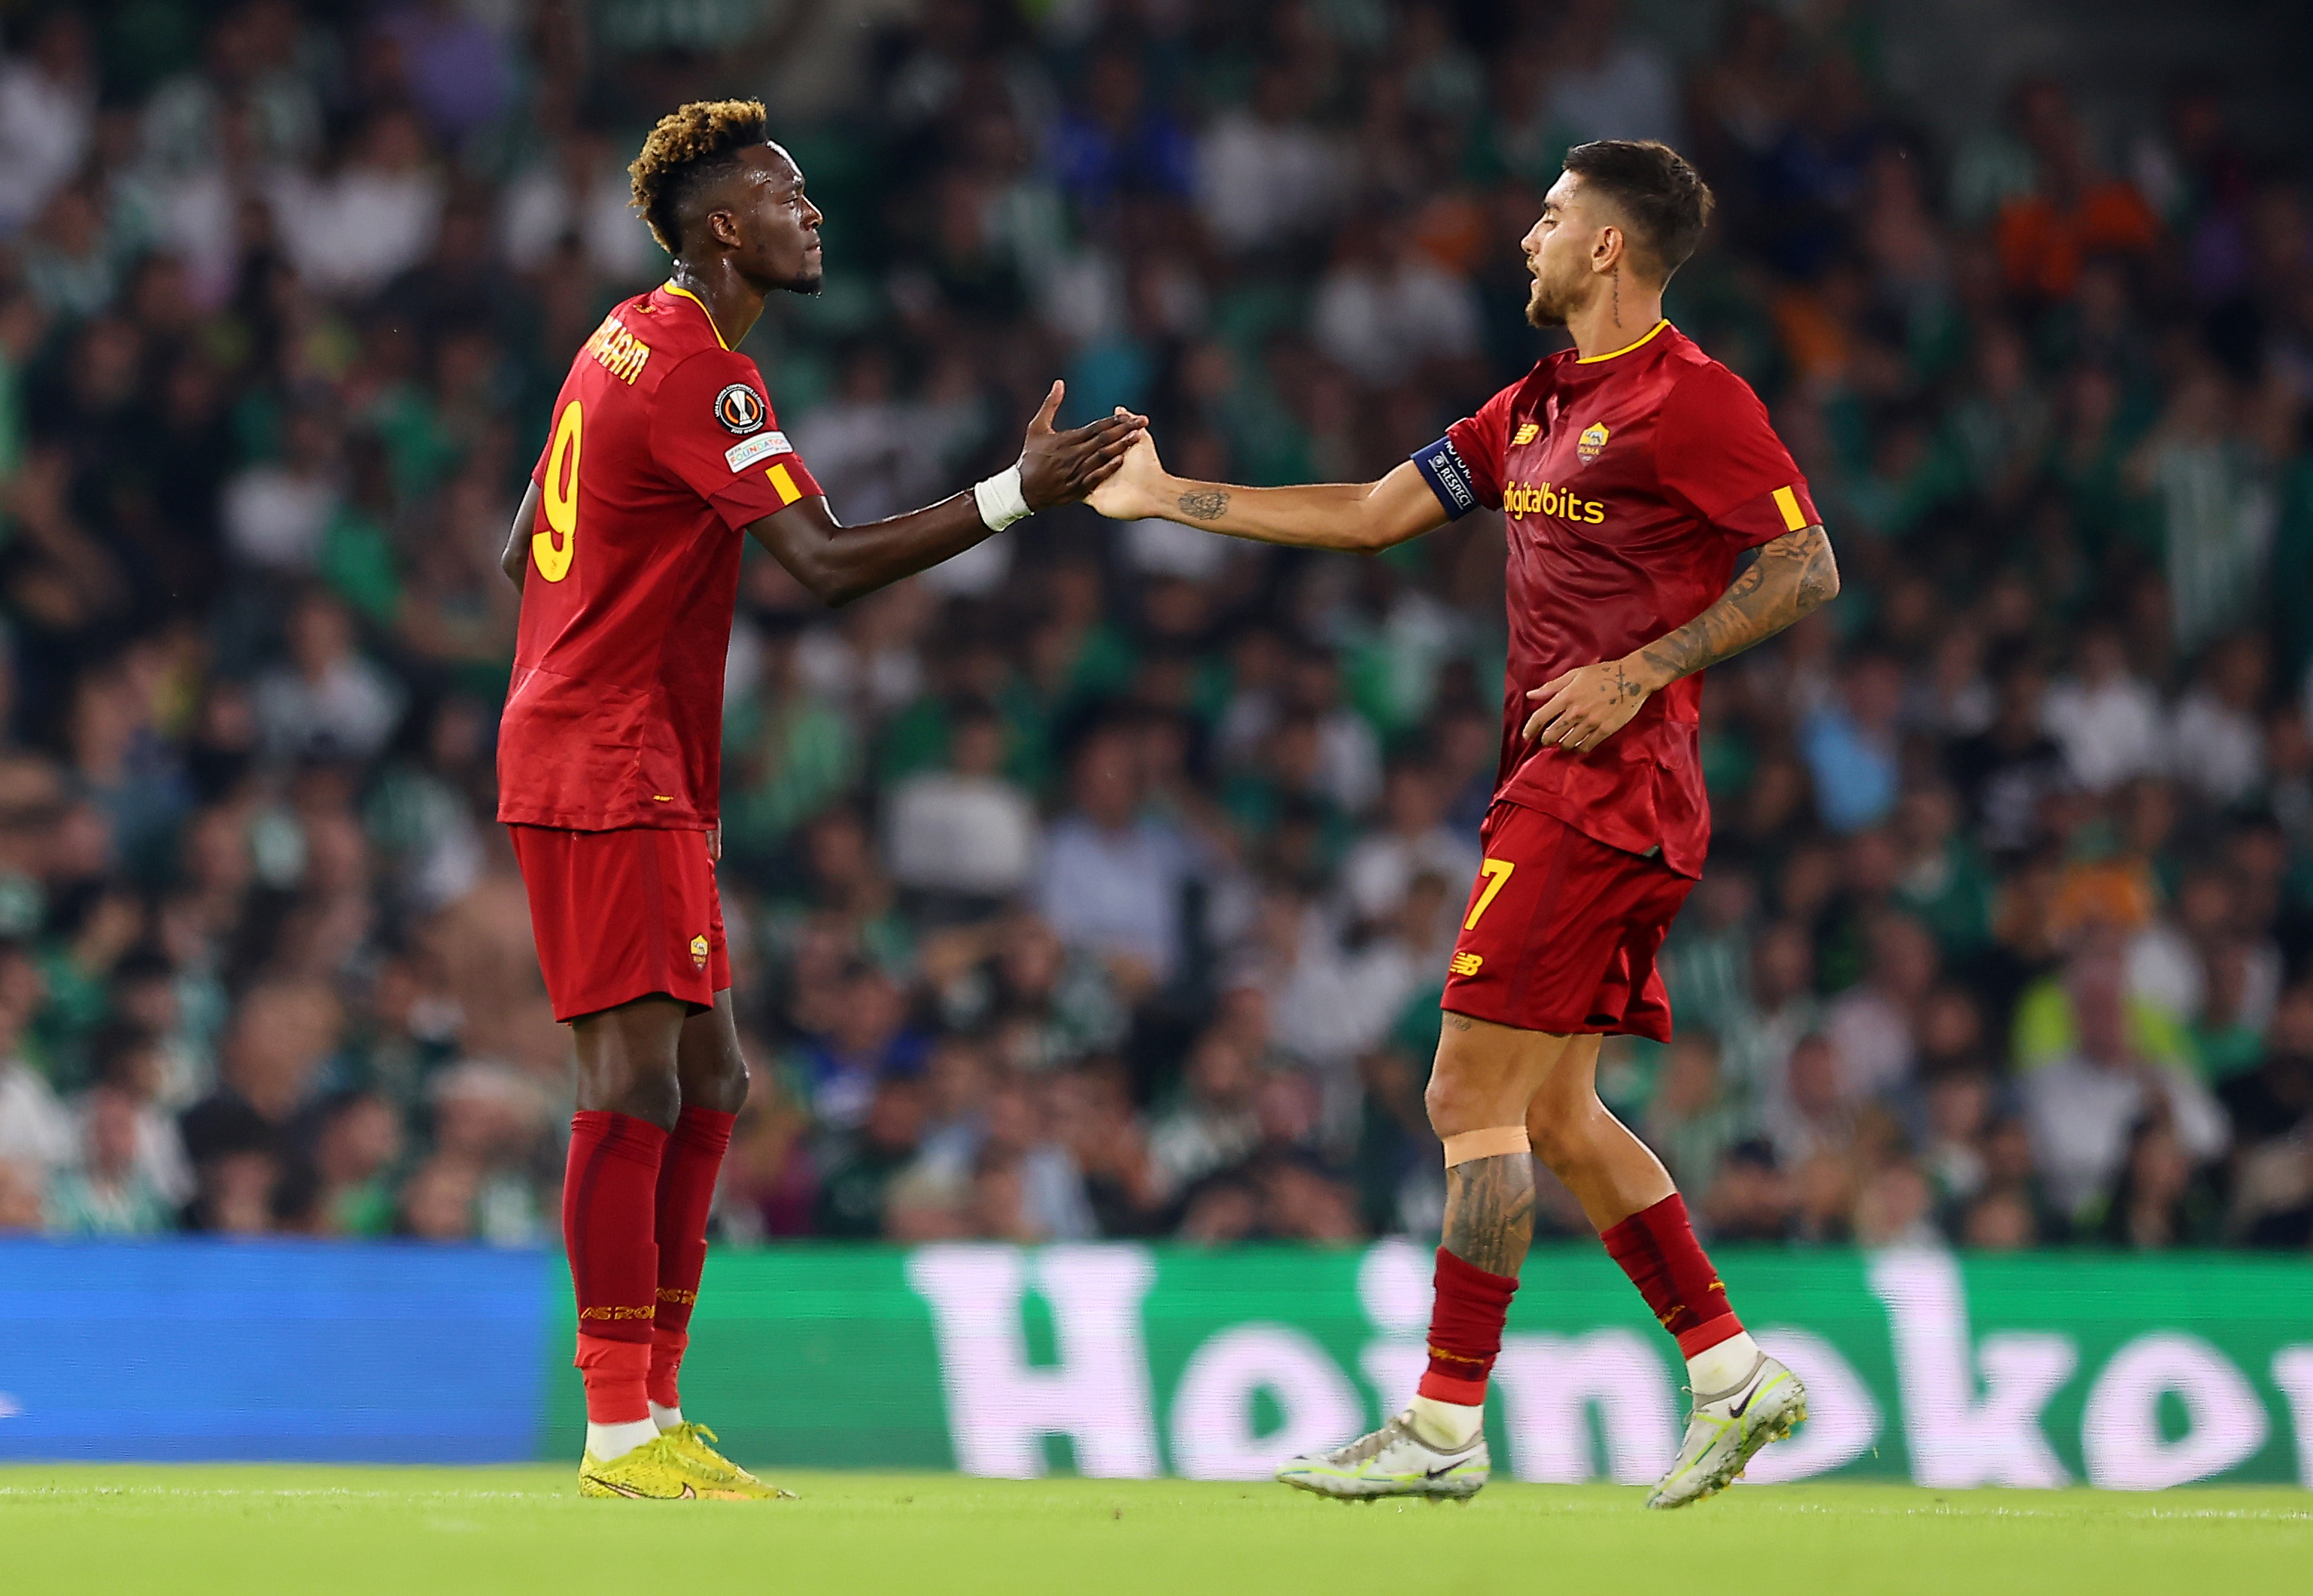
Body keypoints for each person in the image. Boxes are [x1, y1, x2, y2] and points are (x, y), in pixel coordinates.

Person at [1090, 138, 1837, 1509]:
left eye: (1550, 220)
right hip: (1563, 786)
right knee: (1551, 1110)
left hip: (1604, 788)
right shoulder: (1535, 404)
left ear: (1608, 246)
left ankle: (1442, 1420)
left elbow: (1803, 559)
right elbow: (1372, 514)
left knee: (1460, 1096)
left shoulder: (1693, 398)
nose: (1525, 239)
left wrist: (1642, 667)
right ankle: (1733, 1375)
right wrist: (1165, 499)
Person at [495, 98, 1139, 1503]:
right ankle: (616, 1430)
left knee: (715, 1078)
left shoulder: (620, 337)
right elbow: (826, 563)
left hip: (630, 745)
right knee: (631, 1080)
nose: (813, 213)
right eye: (788, 197)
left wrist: (589, 618)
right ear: (721, 225)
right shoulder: (701, 375)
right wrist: (1014, 495)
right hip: (607, 757)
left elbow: (516, 542)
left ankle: (658, 1408)